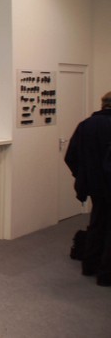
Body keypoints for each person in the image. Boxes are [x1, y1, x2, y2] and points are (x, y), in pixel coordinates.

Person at [65, 91, 111, 287]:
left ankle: (89, 265)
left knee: (97, 223)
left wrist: (83, 176)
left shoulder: (86, 125)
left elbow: (71, 156)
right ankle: (106, 274)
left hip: (94, 186)